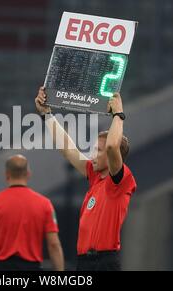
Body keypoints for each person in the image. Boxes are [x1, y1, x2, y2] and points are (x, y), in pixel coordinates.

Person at [35, 87, 137, 271]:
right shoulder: (96, 176)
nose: (92, 154)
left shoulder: (119, 182)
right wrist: (47, 115)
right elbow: (68, 149)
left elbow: (113, 146)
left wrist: (118, 115)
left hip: (104, 262)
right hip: (85, 262)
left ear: (113, 157)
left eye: (98, 150)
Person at [0, 155, 64, 271]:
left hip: (1, 267)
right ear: (28, 174)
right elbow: (54, 245)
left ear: (6, 175)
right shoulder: (45, 204)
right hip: (31, 267)